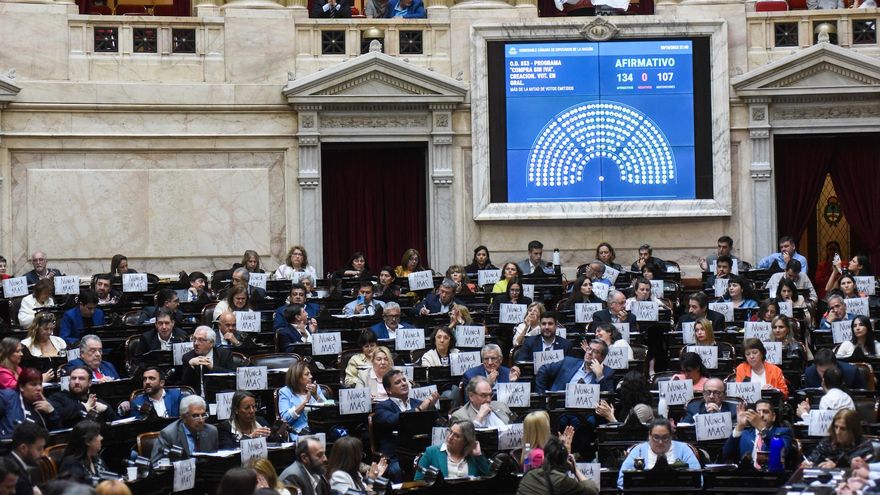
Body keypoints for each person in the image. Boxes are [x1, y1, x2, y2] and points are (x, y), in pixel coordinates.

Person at [373, 369, 439, 482]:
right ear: (388, 390)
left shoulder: (418, 402)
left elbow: (435, 424)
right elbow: (391, 421)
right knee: (397, 470)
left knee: (439, 464)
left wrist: (432, 408)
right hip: (396, 457)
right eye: (398, 382)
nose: (404, 383)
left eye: (404, 380)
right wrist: (419, 410)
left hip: (421, 452)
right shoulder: (382, 407)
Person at [617, 418, 701, 489]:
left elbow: (699, 479)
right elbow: (621, 481)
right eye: (656, 437)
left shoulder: (684, 449)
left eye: (665, 438)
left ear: (671, 436)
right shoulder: (638, 450)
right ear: (649, 435)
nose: (660, 442)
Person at [722, 399, 793, 466]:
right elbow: (727, 455)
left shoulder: (784, 432)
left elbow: (782, 452)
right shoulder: (744, 434)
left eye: (765, 412)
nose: (761, 415)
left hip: (771, 475)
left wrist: (762, 428)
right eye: (758, 412)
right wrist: (739, 426)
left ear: (773, 416)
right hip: (746, 475)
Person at [518, 436, 599, 495]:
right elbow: (593, 490)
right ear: (564, 461)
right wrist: (575, 470)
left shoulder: (528, 475)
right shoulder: (561, 481)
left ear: (545, 456)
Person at [151, 395, 219, 464]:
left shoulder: (212, 431)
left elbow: (215, 461)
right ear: (184, 418)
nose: (201, 420)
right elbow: (156, 464)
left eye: (203, 415)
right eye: (195, 416)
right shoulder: (168, 434)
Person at [415, 420, 490, 479]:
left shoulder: (473, 456)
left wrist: (478, 456)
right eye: (450, 432)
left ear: (466, 441)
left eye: (456, 436)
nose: (450, 437)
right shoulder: (431, 452)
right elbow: (418, 482)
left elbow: (488, 480)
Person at [535, 339, 614, 393]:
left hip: (587, 414)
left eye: (595, 351)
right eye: (589, 349)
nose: (590, 352)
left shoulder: (607, 373)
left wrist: (599, 376)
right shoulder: (568, 362)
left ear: (602, 357)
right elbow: (543, 369)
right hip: (560, 409)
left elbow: (608, 399)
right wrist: (542, 396)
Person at [0, 368, 60, 437]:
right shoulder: (7, 398)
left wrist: (51, 412)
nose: (39, 388)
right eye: (33, 385)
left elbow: (56, 434)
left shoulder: (44, 403)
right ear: (21, 387)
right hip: (9, 445)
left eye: (40, 384)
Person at [49, 366, 116, 427]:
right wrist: (84, 408)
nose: (76, 382)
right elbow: (58, 415)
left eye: (81, 378)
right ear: (69, 381)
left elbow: (114, 421)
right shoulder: (57, 398)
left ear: (90, 383)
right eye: (73, 378)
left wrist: (106, 409)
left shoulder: (94, 400)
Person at [178, 326, 236, 394]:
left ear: (211, 343)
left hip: (219, 396)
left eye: (201, 340)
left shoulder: (224, 354)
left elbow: (232, 376)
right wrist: (190, 366)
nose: (196, 343)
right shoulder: (188, 357)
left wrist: (212, 367)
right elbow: (185, 385)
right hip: (197, 399)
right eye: (194, 339)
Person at [804, 409, 869, 468]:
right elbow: (811, 459)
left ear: (853, 430)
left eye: (843, 429)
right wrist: (809, 464)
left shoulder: (863, 447)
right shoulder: (827, 442)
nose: (837, 432)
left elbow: (865, 474)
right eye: (835, 427)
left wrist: (836, 468)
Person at [278, 361, 326, 434]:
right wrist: (305, 402)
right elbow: (285, 419)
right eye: (307, 374)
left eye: (310, 373)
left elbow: (328, 410)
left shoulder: (316, 388)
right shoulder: (285, 392)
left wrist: (316, 396)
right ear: (297, 378)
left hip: (320, 430)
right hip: (299, 433)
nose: (311, 376)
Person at [58, 420, 107, 485]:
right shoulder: (71, 464)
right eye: (97, 435)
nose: (101, 438)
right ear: (87, 442)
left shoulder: (96, 458)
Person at [7, 422, 48, 495]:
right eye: (39, 449)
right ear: (23, 448)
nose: (43, 454)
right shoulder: (17, 480)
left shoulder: (11, 461)